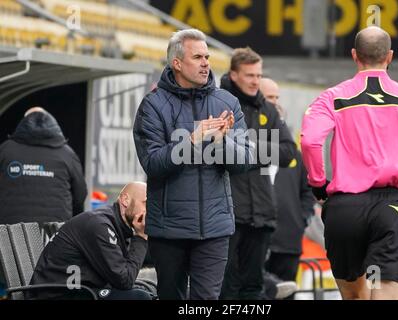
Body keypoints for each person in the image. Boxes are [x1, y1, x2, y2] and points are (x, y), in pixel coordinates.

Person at [301, 26, 398, 300]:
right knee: (381, 293)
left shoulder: (332, 97)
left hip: (344, 211)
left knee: (356, 296)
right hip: (390, 210)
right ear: (390, 56)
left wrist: (319, 184)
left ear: (355, 55)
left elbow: (310, 141)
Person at [133, 29, 253, 300]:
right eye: (197, 57)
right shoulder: (152, 106)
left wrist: (221, 143)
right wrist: (192, 141)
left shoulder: (227, 102)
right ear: (177, 63)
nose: (205, 63)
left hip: (215, 229)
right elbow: (152, 163)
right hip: (169, 229)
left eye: (207, 56)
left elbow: (245, 160)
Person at [220, 48, 297, 300]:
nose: (255, 81)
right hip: (228, 215)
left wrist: (250, 147)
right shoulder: (218, 103)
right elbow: (221, 152)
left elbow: (288, 153)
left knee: (253, 289)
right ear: (234, 74)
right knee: (226, 289)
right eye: (249, 75)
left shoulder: (268, 109)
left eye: (258, 75)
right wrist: (256, 150)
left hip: (262, 214)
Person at [28, 182, 152, 300]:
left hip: (81, 291)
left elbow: (123, 276)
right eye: (146, 203)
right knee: (140, 297)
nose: (150, 210)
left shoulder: (116, 225)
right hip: (58, 294)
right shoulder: (100, 225)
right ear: (125, 200)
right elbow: (124, 281)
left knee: (147, 292)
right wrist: (141, 237)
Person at [260, 78, 315, 284]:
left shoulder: (293, 151)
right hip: (255, 237)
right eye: (269, 97)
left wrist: (300, 219)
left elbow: (307, 190)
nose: (274, 102)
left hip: (288, 241)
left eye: (276, 97)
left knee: (287, 291)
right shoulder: (244, 141)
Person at [0, 107, 87, 225]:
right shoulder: (67, 154)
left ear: (24, 122)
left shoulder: (5, 150)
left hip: (10, 234)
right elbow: (80, 195)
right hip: (54, 233)